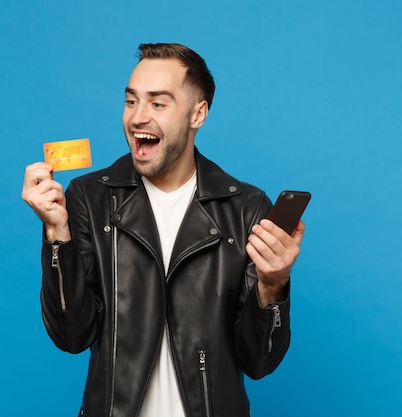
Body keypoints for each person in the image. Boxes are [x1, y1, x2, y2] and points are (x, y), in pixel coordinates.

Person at [22, 43, 305, 417]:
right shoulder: (90, 198)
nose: (138, 117)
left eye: (158, 103)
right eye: (131, 101)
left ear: (197, 114)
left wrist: (272, 285)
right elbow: (71, 336)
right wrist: (58, 236)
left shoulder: (246, 208)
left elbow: (259, 362)